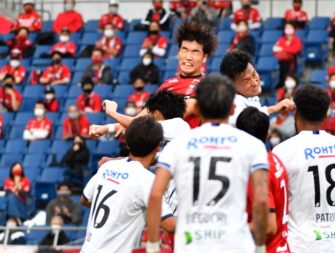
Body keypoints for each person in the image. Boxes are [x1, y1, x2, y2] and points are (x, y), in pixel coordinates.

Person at [146, 75, 269, 252]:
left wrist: (152, 245)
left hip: (191, 244)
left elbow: (155, 195)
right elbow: (261, 200)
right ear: (233, 109)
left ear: (196, 107)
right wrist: (259, 246)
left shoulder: (177, 145)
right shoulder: (253, 146)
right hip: (234, 243)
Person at [273, 84, 335, 251]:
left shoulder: (282, 151)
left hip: (299, 245)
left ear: (296, 112)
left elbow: (276, 205)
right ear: (326, 115)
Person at [81, 117, 175, 252]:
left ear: (127, 144)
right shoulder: (148, 180)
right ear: (157, 148)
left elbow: (85, 199)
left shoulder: (108, 167)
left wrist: (119, 212)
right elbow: (170, 225)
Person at [236, 107, 290, 252]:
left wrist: (228, 231)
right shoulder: (273, 158)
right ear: (267, 134)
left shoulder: (256, 169)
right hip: (281, 246)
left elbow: (267, 227)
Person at [219, 50, 296, 126]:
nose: (255, 83)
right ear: (231, 84)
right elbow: (243, 122)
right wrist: (273, 109)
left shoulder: (250, 97)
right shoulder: (232, 104)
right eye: (246, 80)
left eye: (254, 74)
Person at [273, 23, 303, 88]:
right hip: (282, 61)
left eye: (290, 27)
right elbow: (276, 50)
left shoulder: (296, 40)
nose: (288, 29)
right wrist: (286, 49)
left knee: (287, 67)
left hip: (292, 60)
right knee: (282, 67)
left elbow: (295, 50)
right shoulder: (281, 39)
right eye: (287, 28)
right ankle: (282, 83)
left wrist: (284, 48)